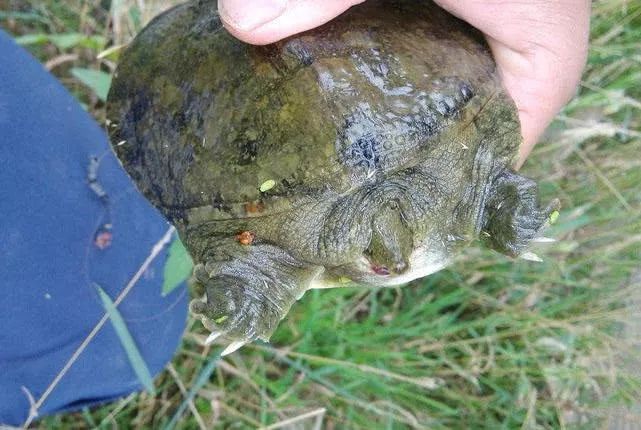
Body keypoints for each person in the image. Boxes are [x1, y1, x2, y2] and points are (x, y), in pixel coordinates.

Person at [0, 0, 590, 425]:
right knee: (153, 328)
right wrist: (250, 290)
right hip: (200, 65)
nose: (390, 261)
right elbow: (254, 253)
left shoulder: (460, 168)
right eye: (382, 253)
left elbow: (491, 174)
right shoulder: (294, 228)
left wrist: (499, 201)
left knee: (496, 197)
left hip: (389, 73)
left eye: (386, 254)